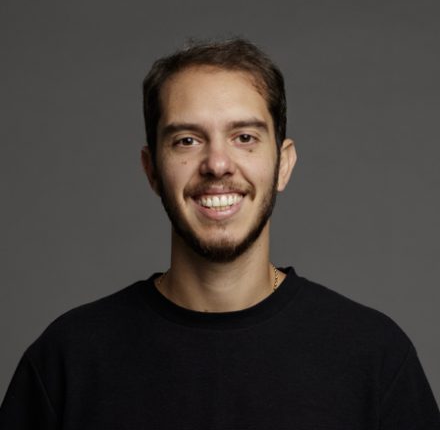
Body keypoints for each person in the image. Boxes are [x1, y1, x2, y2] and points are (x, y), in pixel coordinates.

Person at [1, 38, 439, 429]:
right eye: (187, 140)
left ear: (283, 164)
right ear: (152, 170)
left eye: (244, 137)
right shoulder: (68, 359)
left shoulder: (374, 356)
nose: (217, 164)